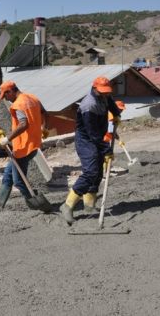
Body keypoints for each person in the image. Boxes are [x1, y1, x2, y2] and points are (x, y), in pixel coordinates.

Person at [60, 76, 122, 225]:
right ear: (95, 88)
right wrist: (106, 149)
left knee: (98, 172)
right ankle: (67, 205)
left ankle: (89, 204)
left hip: (97, 138)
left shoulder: (104, 96)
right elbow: (92, 133)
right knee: (91, 172)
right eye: (103, 92)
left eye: (107, 92)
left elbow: (112, 105)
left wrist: (117, 115)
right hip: (86, 140)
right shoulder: (89, 105)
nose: (106, 94)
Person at [0, 81, 49, 210]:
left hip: (23, 147)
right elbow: (45, 113)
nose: (6, 99)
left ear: (10, 91)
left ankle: (35, 202)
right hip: (33, 144)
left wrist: (7, 139)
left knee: (18, 180)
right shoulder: (32, 98)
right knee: (8, 174)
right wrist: (44, 128)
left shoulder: (18, 105)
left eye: (5, 96)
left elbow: (23, 124)